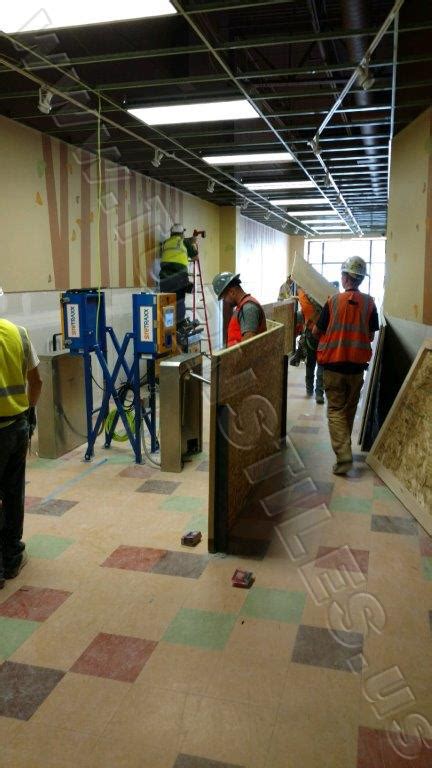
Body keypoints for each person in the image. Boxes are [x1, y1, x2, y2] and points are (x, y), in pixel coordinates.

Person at [313, 257, 378, 475]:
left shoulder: (332, 302)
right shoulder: (370, 303)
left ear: (345, 277)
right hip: (357, 368)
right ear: (359, 279)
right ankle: (345, 448)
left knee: (335, 410)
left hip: (334, 365)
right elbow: (370, 335)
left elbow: (316, 332)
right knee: (348, 409)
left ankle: (343, 456)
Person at [0, 310, 42, 588]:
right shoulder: (19, 333)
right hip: (16, 427)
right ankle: (12, 559)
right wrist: (28, 412)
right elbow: (37, 381)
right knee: (13, 493)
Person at [159, 223, 198, 330]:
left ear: (171, 234)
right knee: (179, 301)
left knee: (168, 302)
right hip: (178, 278)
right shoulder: (184, 242)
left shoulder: (165, 243)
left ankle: (168, 327)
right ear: (181, 234)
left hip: (164, 279)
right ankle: (180, 327)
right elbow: (195, 257)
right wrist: (192, 244)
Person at [290, 284, 324, 403]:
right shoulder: (323, 298)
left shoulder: (304, 296)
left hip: (314, 334)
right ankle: (318, 393)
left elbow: (306, 313)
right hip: (319, 335)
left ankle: (312, 391)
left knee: (313, 364)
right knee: (319, 364)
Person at [212, 272, 267, 346]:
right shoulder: (241, 306)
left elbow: (248, 344)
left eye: (224, 297)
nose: (225, 301)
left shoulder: (248, 308)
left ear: (232, 292)